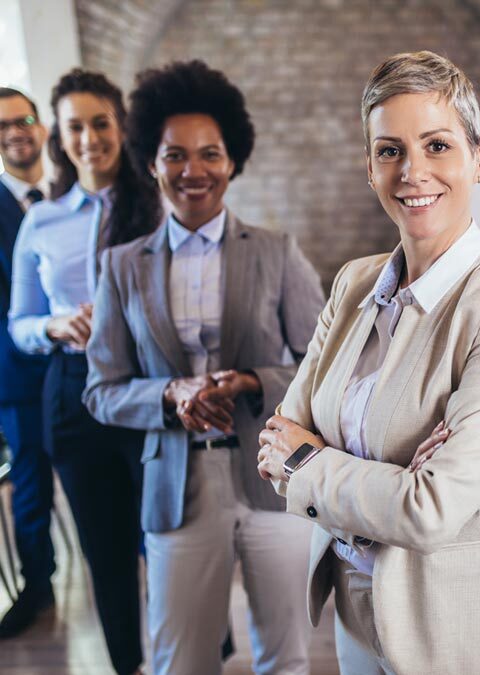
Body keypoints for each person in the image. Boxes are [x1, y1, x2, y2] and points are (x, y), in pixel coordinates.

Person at [256, 50, 480, 675]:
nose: (413, 171)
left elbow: (430, 510)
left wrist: (311, 459)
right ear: (370, 168)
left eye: (438, 145)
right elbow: (274, 443)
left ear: (479, 157)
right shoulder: (353, 283)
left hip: (456, 617)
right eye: (390, 150)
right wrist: (385, 476)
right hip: (354, 596)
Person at [82, 60, 324, 675]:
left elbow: (324, 369)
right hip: (176, 488)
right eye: (175, 155)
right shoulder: (121, 268)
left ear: (233, 160)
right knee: (179, 662)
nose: (194, 171)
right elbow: (101, 391)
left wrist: (252, 382)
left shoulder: (276, 252)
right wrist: (171, 394)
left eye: (210, 154)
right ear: (151, 162)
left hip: (273, 478)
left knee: (286, 658)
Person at [8, 69, 160, 674]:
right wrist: (54, 326)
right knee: (106, 552)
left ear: (120, 127)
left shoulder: (158, 206)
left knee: (171, 541)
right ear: (59, 136)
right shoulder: (41, 220)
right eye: (76, 126)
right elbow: (20, 320)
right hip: (73, 392)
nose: (89, 137)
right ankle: (127, 664)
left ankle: (199, 649)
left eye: (100, 122)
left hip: (151, 388)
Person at [0, 87, 54, 638]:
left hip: (86, 370)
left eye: (24, 120)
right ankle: (37, 587)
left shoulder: (70, 195)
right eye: (2, 126)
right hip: (17, 372)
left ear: (40, 128)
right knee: (31, 485)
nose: (15, 131)